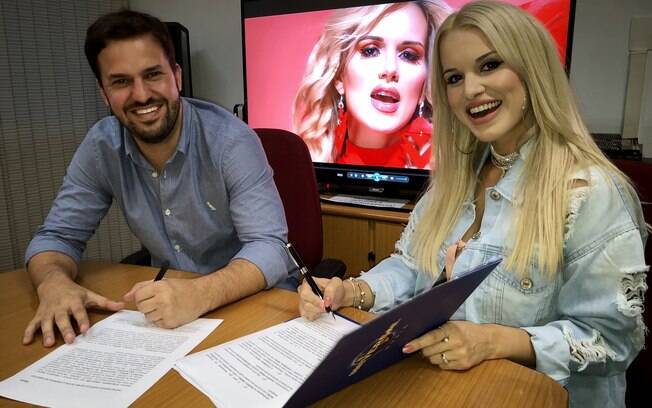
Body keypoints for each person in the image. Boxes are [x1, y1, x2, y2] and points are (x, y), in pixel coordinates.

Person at [298, 1, 648, 406]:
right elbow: (412, 268)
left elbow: (614, 341)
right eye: (453, 77)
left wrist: (494, 341)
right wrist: (352, 291)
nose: (470, 90)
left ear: (532, 67)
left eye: (489, 65)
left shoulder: (592, 191)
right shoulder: (453, 179)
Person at [23, 10, 291, 347]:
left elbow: (270, 247)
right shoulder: (101, 145)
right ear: (103, 92)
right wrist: (53, 283)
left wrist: (200, 293)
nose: (141, 95)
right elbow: (56, 236)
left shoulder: (231, 141)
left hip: (252, 304)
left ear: (176, 76)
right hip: (170, 314)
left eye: (153, 75)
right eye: (121, 82)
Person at [292, 1, 451, 169]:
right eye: (370, 50)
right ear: (339, 75)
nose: (390, 69)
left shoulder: (448, 171)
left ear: (424, 84)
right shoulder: (304, 163)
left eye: (408, 55)